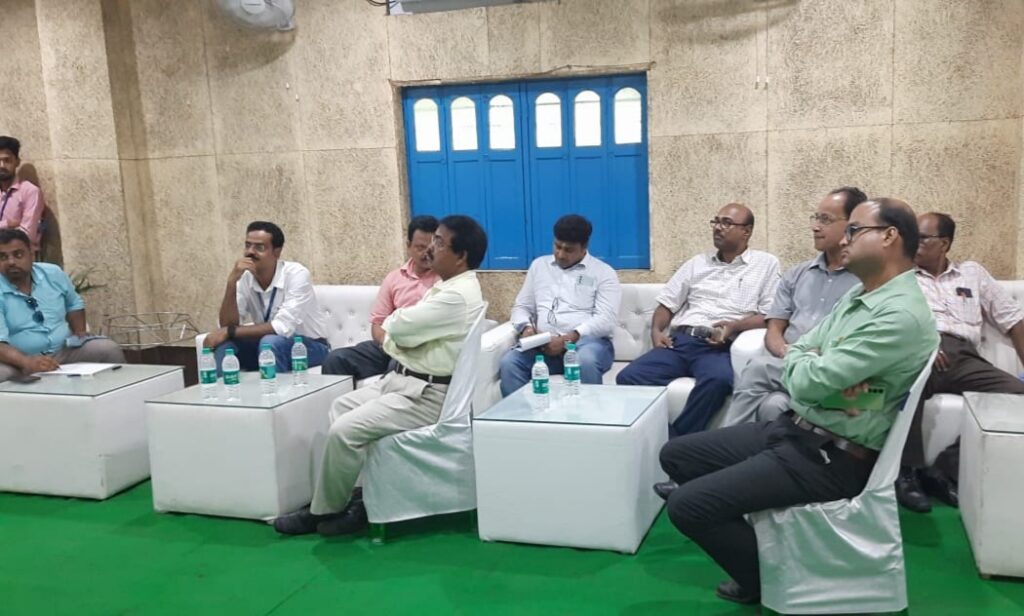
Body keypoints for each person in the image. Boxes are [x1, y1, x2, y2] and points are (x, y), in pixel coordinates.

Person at [657, 198, 938, 606]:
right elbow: (802, 350)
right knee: (677, 455)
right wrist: (814, 370)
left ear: (889, 237)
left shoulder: (899, 315)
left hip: (832, 457)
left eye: (854, 230)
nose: (845, 239)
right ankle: (771, 544)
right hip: (798, 428)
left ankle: (770, 580)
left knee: (687, 506)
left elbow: (808, 381)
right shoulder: (862, 294)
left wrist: (811, 371)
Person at [273, 215, 487, 536]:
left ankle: (322, 510)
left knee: (343, 430)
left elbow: (397, 325)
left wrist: (399, 333)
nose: (431, 247)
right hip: (404, 380)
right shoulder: (448, 285)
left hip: (426, 395)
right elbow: (400, 329)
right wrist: (402, 336)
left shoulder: (456, 295)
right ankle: (358, 497)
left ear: (461, 256)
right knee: (341, 406)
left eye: (440, 242)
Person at [895, 212, 1024, 513]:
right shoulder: (902, 276)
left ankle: (942, 469)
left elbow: (1013, 320)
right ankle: (907, 473)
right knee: (905, 383)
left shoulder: (972, 273)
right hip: (922, 351)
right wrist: (922, 344)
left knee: (1019, 395)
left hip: (966, 357)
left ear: (944, 243)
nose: (914, 243)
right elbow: (894, 320)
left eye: (922, 238)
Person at [616, 203, 781, 435]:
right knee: (629, 377)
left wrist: (734, 326)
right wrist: (656, 331)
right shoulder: (697, 263)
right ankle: (663, 437)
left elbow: (769, 315)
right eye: (716, 221)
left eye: (726, 223)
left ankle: (678, 440)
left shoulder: (765, 264)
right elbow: (667, 303)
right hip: (680, 342)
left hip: (719, 347)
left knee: (719, 381)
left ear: (746, 231)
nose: (718, 228)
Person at [720, 188, 866, 427]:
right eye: (816, 218)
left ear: (853, 226)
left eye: (825, 220)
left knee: (758, 369)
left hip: (841, 380)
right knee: (774, 405)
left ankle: (725, 443)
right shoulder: (797, 274)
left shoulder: (867, 280)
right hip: (793, 366)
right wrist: (786, 353)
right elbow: (774, 328)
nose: (815, 227)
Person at [499, 214, 620, 396]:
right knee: (510, 363)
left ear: (584, 247)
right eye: (557, 246)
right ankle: (523, 414)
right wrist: (526, 329)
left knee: (585, 360)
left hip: (586, 344)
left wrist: (567, 340)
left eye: (569, 250)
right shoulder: (539, 266)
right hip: (543, 345)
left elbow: (606, 319)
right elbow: (522, 307)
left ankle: (588, 414)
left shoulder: (603, 273)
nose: (561, 254)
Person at [321, 216, 440, 381]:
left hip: (422, 350)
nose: (426, 253)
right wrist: (389, 343)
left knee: (397, 368)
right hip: (391, 345)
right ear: (408, 246)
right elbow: (378, 323)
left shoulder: (444, 278)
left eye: (431, 248)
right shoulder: (394, 278)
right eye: (420, 247)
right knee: (336, 359)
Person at [204, 221, 330, 374]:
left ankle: (275, 390)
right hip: (266, 344)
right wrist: (231, 283)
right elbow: (227, 325)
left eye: (259, 247)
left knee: (269, 343)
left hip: (310, 346)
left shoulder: (296, 274)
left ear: (277, 252)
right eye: (247, 245)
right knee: (225, 346)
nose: (250, 252)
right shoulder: (245, 277)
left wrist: (230, 331)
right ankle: (221, 389)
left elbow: (281, 327)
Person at [0, 229, 124, 381]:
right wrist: (27, 362)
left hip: (64, 351)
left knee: (107, 349)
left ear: (32, 254)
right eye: (3, 257)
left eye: (18, 254)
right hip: (18, 360)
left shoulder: (53, 274)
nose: (11, 262)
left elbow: (74, 304)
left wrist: (79, 332)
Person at [0, 137, 45, 255]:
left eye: (7, 160)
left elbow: (26, 235)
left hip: (18, 256)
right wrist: (7, 224)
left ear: (17, 162)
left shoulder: (30, 192)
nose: (2, 165)